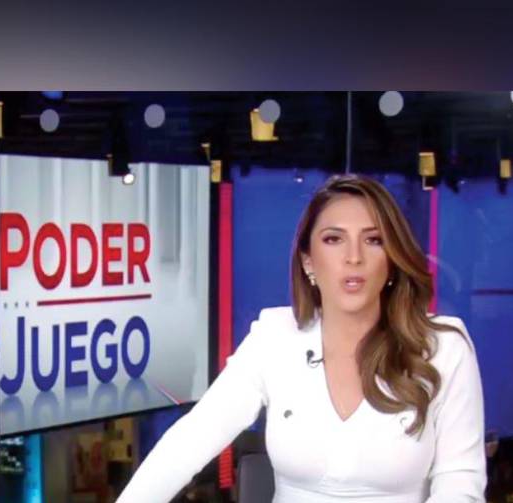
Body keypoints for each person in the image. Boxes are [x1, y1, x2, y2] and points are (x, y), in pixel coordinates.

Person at [117, 175, 485, 502]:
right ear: (308, 261)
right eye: (334, 239)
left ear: (391, 259)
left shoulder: (442, 348)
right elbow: (190, 441)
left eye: (373, 240)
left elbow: (460, 483)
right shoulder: (274, 337)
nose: (353, 257)